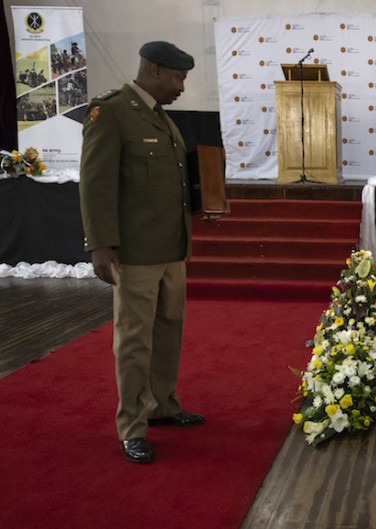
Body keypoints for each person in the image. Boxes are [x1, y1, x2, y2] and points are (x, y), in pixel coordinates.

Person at [79, 41, 203, 464]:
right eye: (177, 77)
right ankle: (132, 425)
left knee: (168, 331)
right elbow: (95, 184)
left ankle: (163, 405)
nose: (182, 86)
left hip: (171, 249)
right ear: (153, 70)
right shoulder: (111, 112)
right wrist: (100, 244)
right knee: (133, 341)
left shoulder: (160, 118)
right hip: (134, 253)